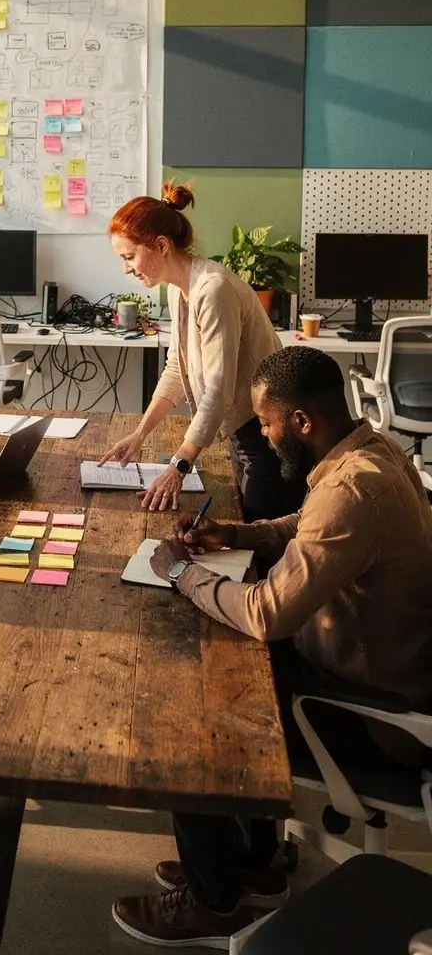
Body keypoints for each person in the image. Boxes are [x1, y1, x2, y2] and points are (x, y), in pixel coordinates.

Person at [112, 345, 432, 948]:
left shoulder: (354, 490)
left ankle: (214, 901)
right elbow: (307, 527)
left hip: (371, 715)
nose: (261, 431)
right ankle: (255, 866)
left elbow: (266, 614)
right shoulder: (374, 451)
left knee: (190, 718)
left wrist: (183, 574)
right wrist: (233, 532)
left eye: (266, 421)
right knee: (226, 675)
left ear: (303, 422)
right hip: (381, 675)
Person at [102, 186, 302, 521]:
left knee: (262, 538)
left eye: (129, 256)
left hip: (267, 434)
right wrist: (141, 433)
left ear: (162, 245)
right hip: (245, 429)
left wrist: (179, 465)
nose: (126, 269)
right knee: (247, 528)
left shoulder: (213, 290)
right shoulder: (181, 288)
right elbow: (174, 370)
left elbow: (218, 388)